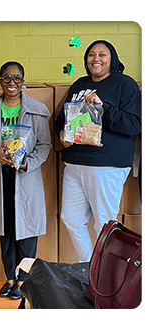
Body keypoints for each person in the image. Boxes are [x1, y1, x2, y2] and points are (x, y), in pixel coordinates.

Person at [54, 40, 142, 262]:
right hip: (74, 163)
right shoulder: (79, 84)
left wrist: (104, 108)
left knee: (104, 222)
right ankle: (90, 267)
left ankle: (108, 276)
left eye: (103, 54)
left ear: (112, 58)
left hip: (106, 164)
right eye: (91, 55)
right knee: (71, 218)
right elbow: (61, 120)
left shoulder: (124, 84)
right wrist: (62, 134)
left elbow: (133, 125)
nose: (96, 59)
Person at [0, 61, 52, 300]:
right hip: (0, 177)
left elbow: (45, 145)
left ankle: (23, 279)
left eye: (17, 78)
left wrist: (29, 162)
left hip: (26, 178)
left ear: (23, 81)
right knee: (5, 230)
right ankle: (9, 278)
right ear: (0, 80)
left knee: (27, 232)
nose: (12, 83)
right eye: (7, 78)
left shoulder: (37, 110)